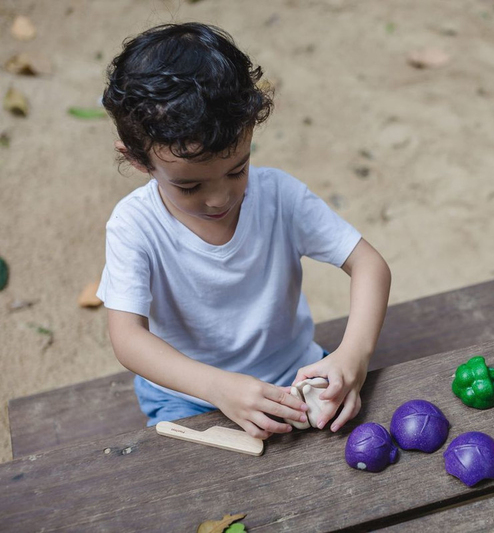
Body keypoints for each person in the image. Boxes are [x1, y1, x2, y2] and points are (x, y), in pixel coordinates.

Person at [97, 22, 391, 440]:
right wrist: (217, 387)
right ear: (138, 160)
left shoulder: (279, 196)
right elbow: (128, 339)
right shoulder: (134, 226)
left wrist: (352, 357)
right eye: (189, 185)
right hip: (187, 395)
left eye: (237, 170)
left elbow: (369, 264)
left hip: (295, 375)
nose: (220, 199)